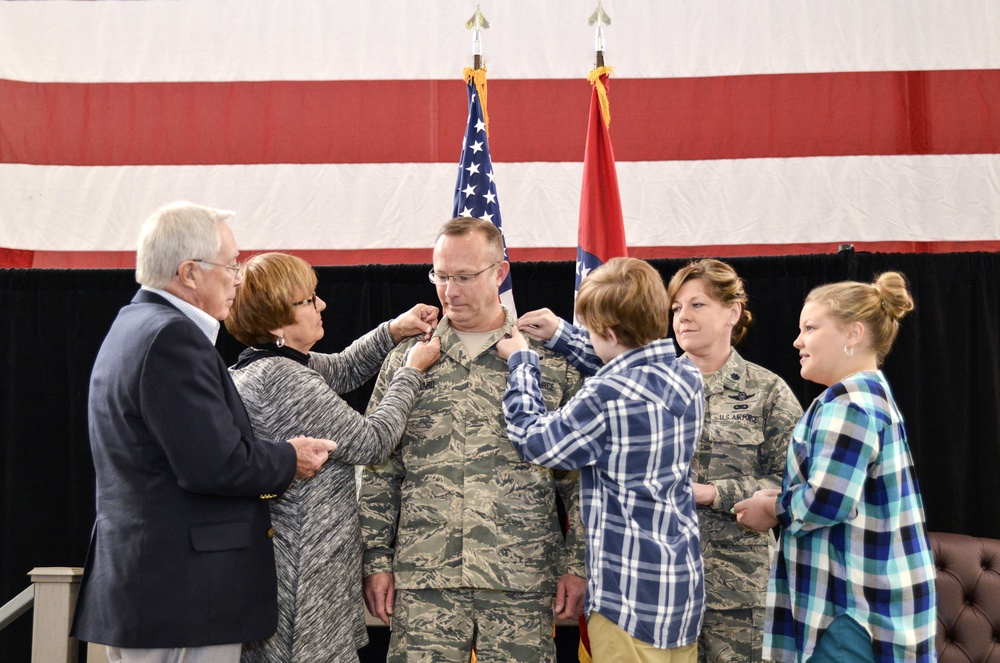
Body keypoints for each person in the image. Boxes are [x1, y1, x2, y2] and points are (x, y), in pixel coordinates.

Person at [71, 201, 337, 663]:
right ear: (190, 272)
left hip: (157, 589)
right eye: (231, 265)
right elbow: (215, 465)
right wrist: (289, 458)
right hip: (180, 594)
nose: (238, 277)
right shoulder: (171, 338)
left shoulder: (134, 324)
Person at [359, 217, 587, 662]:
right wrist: (376, 561)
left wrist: (577, 564)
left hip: (520, 581)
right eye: (441, 276)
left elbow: (579, 480)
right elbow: (380, 472)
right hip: (425, 580)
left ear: (500, 273)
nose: (450, 291)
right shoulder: (409, 360)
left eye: (464, 276)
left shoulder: (547, 364)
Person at [224, 252, 442, 662]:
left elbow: (342, 369)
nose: (321, 305)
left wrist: (394, 330)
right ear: (275, 322)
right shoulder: (283, 379)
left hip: (291, 569)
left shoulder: (263, 367)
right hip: (304, 578)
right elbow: (373, 441)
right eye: (308, 301)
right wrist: (412, 371)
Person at [499, 257, 706, 662]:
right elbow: (629, 364)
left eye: (592, 331)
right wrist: (564, 334)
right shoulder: (687, 375)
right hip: (680, 588)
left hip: (626, 600)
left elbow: (534, 440)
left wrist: (522, 364)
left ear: (608, 331)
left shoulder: (606, 396)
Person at [734, 272, 937, 663]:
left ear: (853, 334)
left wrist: (772, 509)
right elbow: (840, 493)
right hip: (864, 607)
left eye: (810, 327)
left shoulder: (848, 404)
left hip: (851, 612)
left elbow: (829, 501)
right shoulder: (868, 396)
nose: (797, 341)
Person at [665, 259, 803, 663]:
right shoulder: (651, 387)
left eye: (697, 305)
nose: (683, 318)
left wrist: (713, 493)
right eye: (676, 309)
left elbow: (793, 482)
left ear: (733, 311)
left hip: (742, 593)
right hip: (663, 588)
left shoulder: (768, 391)